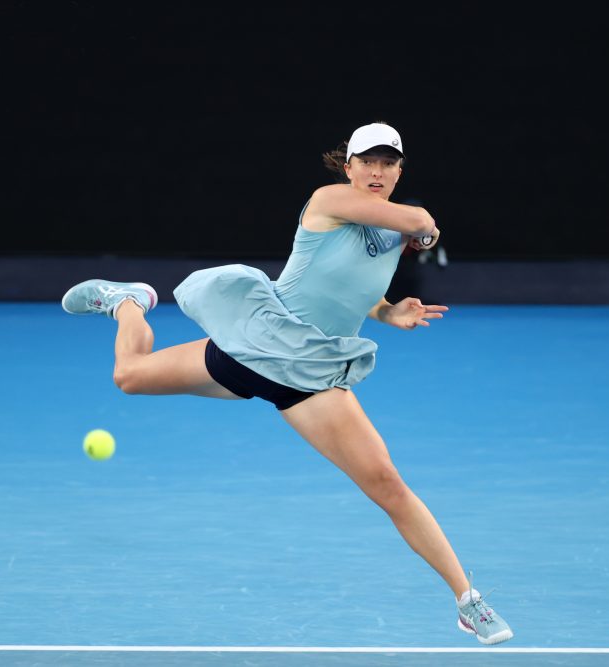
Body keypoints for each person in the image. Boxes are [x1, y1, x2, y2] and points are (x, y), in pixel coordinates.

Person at [61, 122, 513, 645]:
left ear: (399, 170)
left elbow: (350, 289)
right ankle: (127, 303)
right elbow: (420, 218)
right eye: (367, 161)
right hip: (258, 345)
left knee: (387, 484)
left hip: (312, 379)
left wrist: (389, 312)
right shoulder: (330, 199)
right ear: (349, 166)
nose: (377, 171)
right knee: (128, 377)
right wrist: (427, 230)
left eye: (388, 163)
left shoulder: (388, 233)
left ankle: (468, 601)